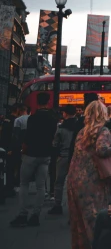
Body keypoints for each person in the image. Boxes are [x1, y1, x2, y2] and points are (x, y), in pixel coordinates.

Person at [67, 101, 111, 247]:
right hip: (92, 181)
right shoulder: (103, 131)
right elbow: (102, 150)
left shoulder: (82, 132)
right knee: (93, 220)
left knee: (78, 221)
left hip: (74, 179)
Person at [9, 93, 58, 228]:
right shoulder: (53, 119)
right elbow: (54, 137)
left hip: (31, 154)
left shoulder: (32, 118)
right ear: (48, 102)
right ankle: (36, 215)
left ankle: (23, 214)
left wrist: (23, 150)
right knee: (41, 186)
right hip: (45, 155)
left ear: (37, 102)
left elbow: (27, 138)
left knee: (24, 183)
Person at [49, 104, 79, 215]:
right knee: (75, 183)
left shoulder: (61, 128)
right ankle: (76, 207)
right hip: (76, 156)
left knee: (59, 182)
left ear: (65, 113)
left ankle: (57, 205)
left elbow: (55, 144)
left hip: (63, 156)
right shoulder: (79, 126)